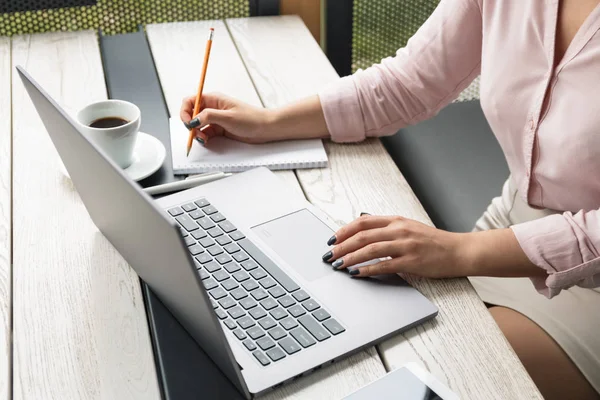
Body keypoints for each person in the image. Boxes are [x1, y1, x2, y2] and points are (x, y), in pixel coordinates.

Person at [181, 0, 600, 398]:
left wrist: (459, 251)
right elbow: (409, 83)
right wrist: (269, 123)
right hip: (511, 226)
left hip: (587, 287)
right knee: (367, 345)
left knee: (446, 374)